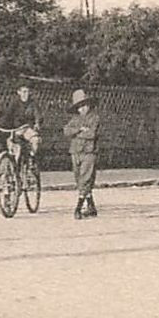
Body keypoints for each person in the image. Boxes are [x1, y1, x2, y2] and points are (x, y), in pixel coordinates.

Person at [0, 82, 36, 212]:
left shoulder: (3, 116)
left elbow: (9, 124)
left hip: (2, 146)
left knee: (5, 172)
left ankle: (6, 198)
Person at [63, 87, 102, 219]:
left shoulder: (94, 118)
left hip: (89, 151)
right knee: (79, 178)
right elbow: (66, 131)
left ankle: (78, 207)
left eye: (85, 105)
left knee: (85, 178)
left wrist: (77, 133)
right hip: (75, 151)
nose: (83, 109)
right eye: (80, 106)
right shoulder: (75, 119)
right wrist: (80, 129)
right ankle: (91, 206)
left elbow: (92, 134)